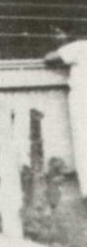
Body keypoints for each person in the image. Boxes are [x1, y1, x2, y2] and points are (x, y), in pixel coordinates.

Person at [44, 38, 87, 200]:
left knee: (84, 143)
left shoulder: (81, 46)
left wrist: (62, 44)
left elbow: (50, 58)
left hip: (83, 99)